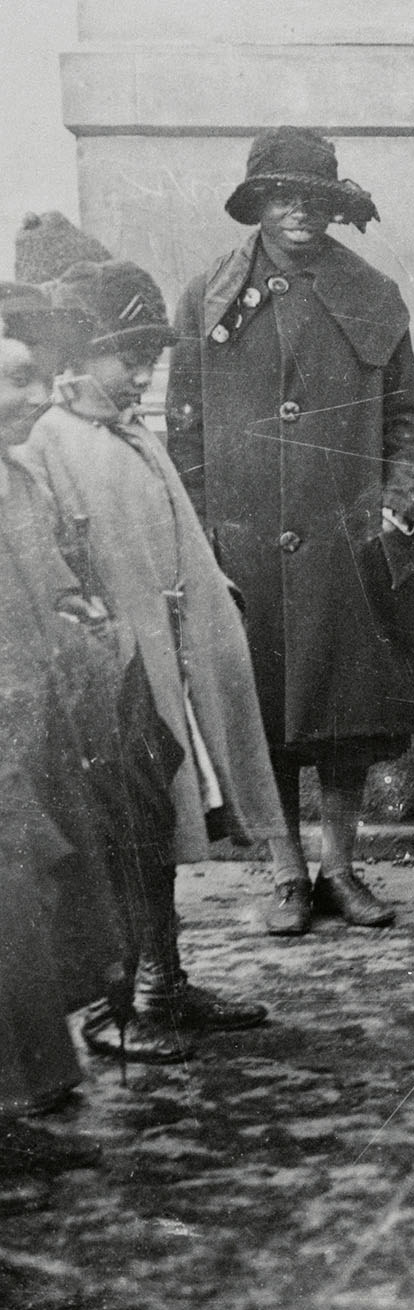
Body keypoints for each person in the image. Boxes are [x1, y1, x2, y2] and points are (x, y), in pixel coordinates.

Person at [166, 126, 414, 936]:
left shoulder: (373, 294)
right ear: (256, 203)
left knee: (344, 714)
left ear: (333, 205)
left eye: (314, 197)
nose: (298, 212)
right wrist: (203, 533)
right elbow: (184, 428)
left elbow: (408, 420)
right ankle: (286, 873)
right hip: (243, 545)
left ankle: (341, 870)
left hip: (348, 543)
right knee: (269, 713)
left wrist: (403, 495)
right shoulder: (206, 297)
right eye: (282, 195)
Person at [22, 259, 283, 1065]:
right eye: (125, 357)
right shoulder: (48, 445)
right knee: (126, 835)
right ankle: (119, 1003)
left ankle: (165, 981)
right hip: (114, 681)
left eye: (149, 357)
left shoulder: (129, 433)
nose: (141, 375)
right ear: (77, 355)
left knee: (162, 829)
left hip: (173, 666)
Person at [0, 287, 138, 1175]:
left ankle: (37, 1067)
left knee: (38, 885)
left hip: (34, 709)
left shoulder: (17, 477)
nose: (27, 396)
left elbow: (50, 590)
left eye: (32, 379)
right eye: (10, 380)